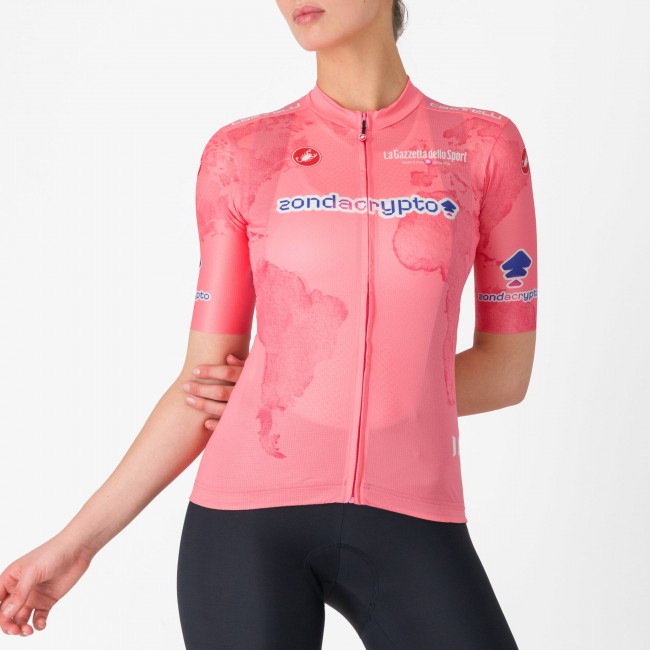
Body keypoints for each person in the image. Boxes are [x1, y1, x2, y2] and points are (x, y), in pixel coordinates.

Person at [0, 0, 537, 647]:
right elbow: (202, 386)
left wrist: (335, 391)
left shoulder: (480, 147)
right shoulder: (243, 155)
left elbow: (505, 372)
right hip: (245, 524)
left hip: (413, 511)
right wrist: (75, 544)